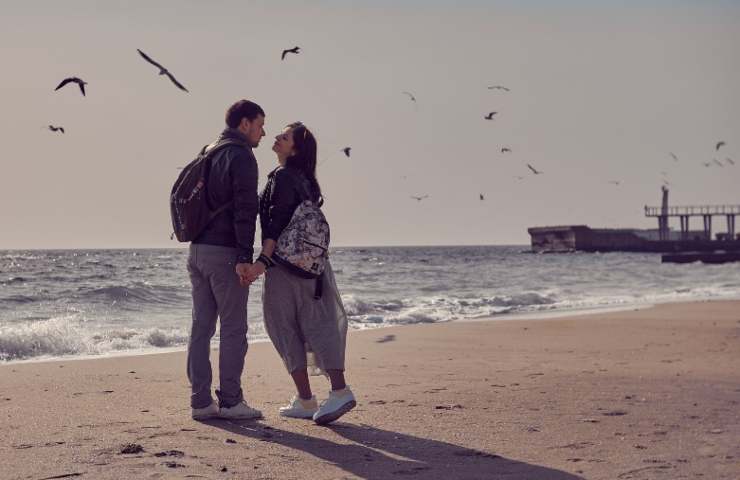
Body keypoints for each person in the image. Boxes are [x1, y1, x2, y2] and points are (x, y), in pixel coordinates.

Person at [244, 121, 356, 425]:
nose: (278, 138)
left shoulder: (281, 177)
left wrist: (262, 262)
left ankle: (324, 394)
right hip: (314, 266)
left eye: (285, 136)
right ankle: (322, 395)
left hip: (284, 265)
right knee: (318, 323)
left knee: (283, 327)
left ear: (295, 147)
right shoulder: (306, 179)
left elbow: (275, 223)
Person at [187, 99, 265, 420]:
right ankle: (231, 401)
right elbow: (247, 210)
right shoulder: (241, 156)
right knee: (233, 328)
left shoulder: (208, 150)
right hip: (225, 253)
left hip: (196, 251)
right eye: (260, 124)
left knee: (201, 327)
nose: (263, 132)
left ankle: (201, 402)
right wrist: (245, 257)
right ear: (244, 124)